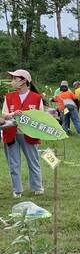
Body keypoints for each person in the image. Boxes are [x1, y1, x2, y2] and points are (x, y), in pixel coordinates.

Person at [2, 69, 45, 197]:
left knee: (33, 161)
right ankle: (17, 189)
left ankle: (37, 186)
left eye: (15, 78)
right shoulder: (8, 97)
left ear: (24, 81)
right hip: (11, 133)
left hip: (29, 134)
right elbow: (4, 114)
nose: (13, 81)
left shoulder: (37, 98)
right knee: (13, 163)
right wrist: (12, 114)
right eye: (12, 78)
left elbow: (41, 116)